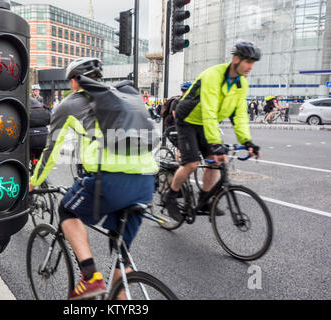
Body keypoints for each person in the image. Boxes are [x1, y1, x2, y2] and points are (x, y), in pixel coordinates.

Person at [29, 57, 157, 300]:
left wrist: (34, 182)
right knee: (121, 255)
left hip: (111, 181)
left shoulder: (69, 104)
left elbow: (51, 150)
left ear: (75, 81)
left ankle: (89, 277)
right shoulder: (121, 97)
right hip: (146, 182)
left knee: (67, 209)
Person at [164, 41, 262, 222]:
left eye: (253, 63)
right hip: (188, 120)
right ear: (236, 59)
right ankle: (170, 196)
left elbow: (239, 115)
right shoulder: (212, 76)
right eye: (248, 62)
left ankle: (204, 199)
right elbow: (209, 111)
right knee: (192, 164)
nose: (250, 67)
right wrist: (216, 143)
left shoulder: (241, 84)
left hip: (206, 124)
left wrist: (247, 141)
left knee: (216, 161)